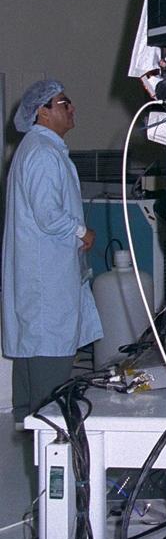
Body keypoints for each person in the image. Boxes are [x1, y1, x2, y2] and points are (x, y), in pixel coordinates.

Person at [2, 79, 102, 416]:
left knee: (36, 360)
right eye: (63, 102)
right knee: (50, 374)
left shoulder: (37, 149)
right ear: (42, 112)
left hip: (41, 279)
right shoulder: (43, 153)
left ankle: (39, 446)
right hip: (47, 283)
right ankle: (54, 447)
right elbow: (48, 214)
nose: (71, 108)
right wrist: (81, 232)